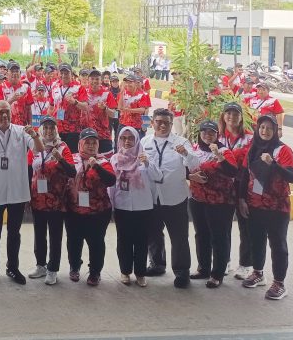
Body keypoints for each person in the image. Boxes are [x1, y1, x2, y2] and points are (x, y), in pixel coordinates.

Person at [0, 100, 42, 285]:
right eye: (1, 113)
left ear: (11, 113)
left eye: (7, 112)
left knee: (14, 233)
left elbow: (38, 149)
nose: (4, 116)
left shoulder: (22, 132)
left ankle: (13, 268)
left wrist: (35, 135)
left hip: (17, 192)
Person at [238, 115, 293, 300]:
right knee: (256, 240)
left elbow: (291, 177)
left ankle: (279, 283)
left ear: (275, 130)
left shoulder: (283, 150)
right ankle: (258, 272)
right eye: (262, 127)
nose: (265, 131)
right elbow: (246, 176)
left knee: (278, 244)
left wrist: (274, 163)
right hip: (255, 204)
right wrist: (242, 199)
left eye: (269, 128)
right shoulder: (252, 149)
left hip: (277, 207)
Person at [143, 108, 199, 287]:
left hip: (175, 198)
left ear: (171, 123)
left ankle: (182, 272)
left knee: (179, 237)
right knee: (153, 233)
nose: (162, 125)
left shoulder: (181, 142)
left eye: (166, 122)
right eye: (158, 121)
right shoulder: (145, 142)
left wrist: (186, 154)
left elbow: (195, 163)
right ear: (152, 123)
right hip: (152, 197)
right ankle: (157, 264)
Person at [188, 120, 239, 288]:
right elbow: (185, 168)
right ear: (200, 133)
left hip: (220, 202)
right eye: (204, 132)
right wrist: (189, 176)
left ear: (217, 135)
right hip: (198, 199)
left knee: (219, 237)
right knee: (201, 234)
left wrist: (219, 156)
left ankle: (217, 274)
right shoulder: (194, 149)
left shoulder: (224, 150)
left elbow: (233, 171)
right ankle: (203, 268)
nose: (207, 136)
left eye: (211, 133)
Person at [26, 116, 74, 286]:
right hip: (38, 199)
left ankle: (53, 269)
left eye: (51, 128)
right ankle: (41, 265)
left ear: (56, 130)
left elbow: (72, 172)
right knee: (39, 234)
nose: (48, 131)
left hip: (56, 201)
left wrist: (59, 158)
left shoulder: (63, 147)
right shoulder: (35, 147)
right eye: (45, 128)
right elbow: (29, 170)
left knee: (55, 236)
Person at [66, 128, 116, 286]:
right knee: (74, 240)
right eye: (87, 142)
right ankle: (74, 266)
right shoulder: (72, 159)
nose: (91, 145)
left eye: (94, 142)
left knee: (96, 242)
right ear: (80, 143)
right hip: (74, 210)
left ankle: (95, 272)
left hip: (98, 211)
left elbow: (111, 181)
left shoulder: (103, 161)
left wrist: (97, 167)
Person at [109, 126, 156, 288]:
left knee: (142, 241)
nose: (127, 141)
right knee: (124, 240)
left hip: (143, 206)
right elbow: (111, 185)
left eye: (131, 138)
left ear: (137, 139)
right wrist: (112, 205)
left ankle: (141, 273)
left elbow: (157, 177)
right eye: (124, 138)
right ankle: (125, 271)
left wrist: (148, 163)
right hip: (122, 206)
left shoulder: (145, 157)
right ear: (119, 140)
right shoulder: (115, 159)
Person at [217, 102, 254, 281]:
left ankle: (246, 264)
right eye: (228, 113)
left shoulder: (250, 138)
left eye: (235, 114)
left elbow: (249, 164)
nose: (232, 117)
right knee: (222, 227)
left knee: (245, 227)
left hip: (242, 188)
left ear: (241, 117)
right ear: (223, 117)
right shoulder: (217, 138)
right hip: (222, 189)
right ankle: (224, 262)